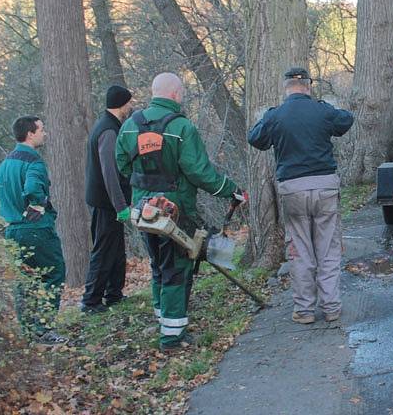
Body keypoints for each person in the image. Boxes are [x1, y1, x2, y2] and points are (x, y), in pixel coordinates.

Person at [115, 72, 244, 351]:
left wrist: (144, 189)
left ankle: (163, 318)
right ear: (175, 94)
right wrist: (230, 189)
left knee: (157, 265)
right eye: (181, 92)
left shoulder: (128, 126)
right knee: (176, 267)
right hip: (176, 212)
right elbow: (200, 172)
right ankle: (172, 336)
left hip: (143, 210)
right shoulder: (182, 127)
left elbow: (122, 165)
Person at [248, 67, 354, 324]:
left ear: (286, 88)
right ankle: (331, 307)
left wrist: (265, 119)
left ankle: (304, 310)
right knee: (327, 248)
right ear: (308, 86)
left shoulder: (276, 115)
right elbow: (346, 120)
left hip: (292, 188)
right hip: (325, 185)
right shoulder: (322, 110)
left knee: (300, 250)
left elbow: (255, 139)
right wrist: (330, 108)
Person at [0, 116, 67, 345]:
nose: (44, 133)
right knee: (54, 273)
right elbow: (34, 189)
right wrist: (38, 208)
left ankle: (27, 332)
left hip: (12, 231)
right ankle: (44, 330)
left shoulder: (5, 164)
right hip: (35, 229)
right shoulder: (34, 161)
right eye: (41, 129)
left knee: (24, 280)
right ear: (30, 134)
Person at [81, 85, 134, 313]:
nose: (131, 106)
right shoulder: (109, 131)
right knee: (103, 251)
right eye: (129, 103)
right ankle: (91, 301)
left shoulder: (109, 125)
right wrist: (120, 205)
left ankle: (114, 293)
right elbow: (109, 172)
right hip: (107, 203)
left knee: (116, 249)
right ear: (122, 104)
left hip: (108, 202)